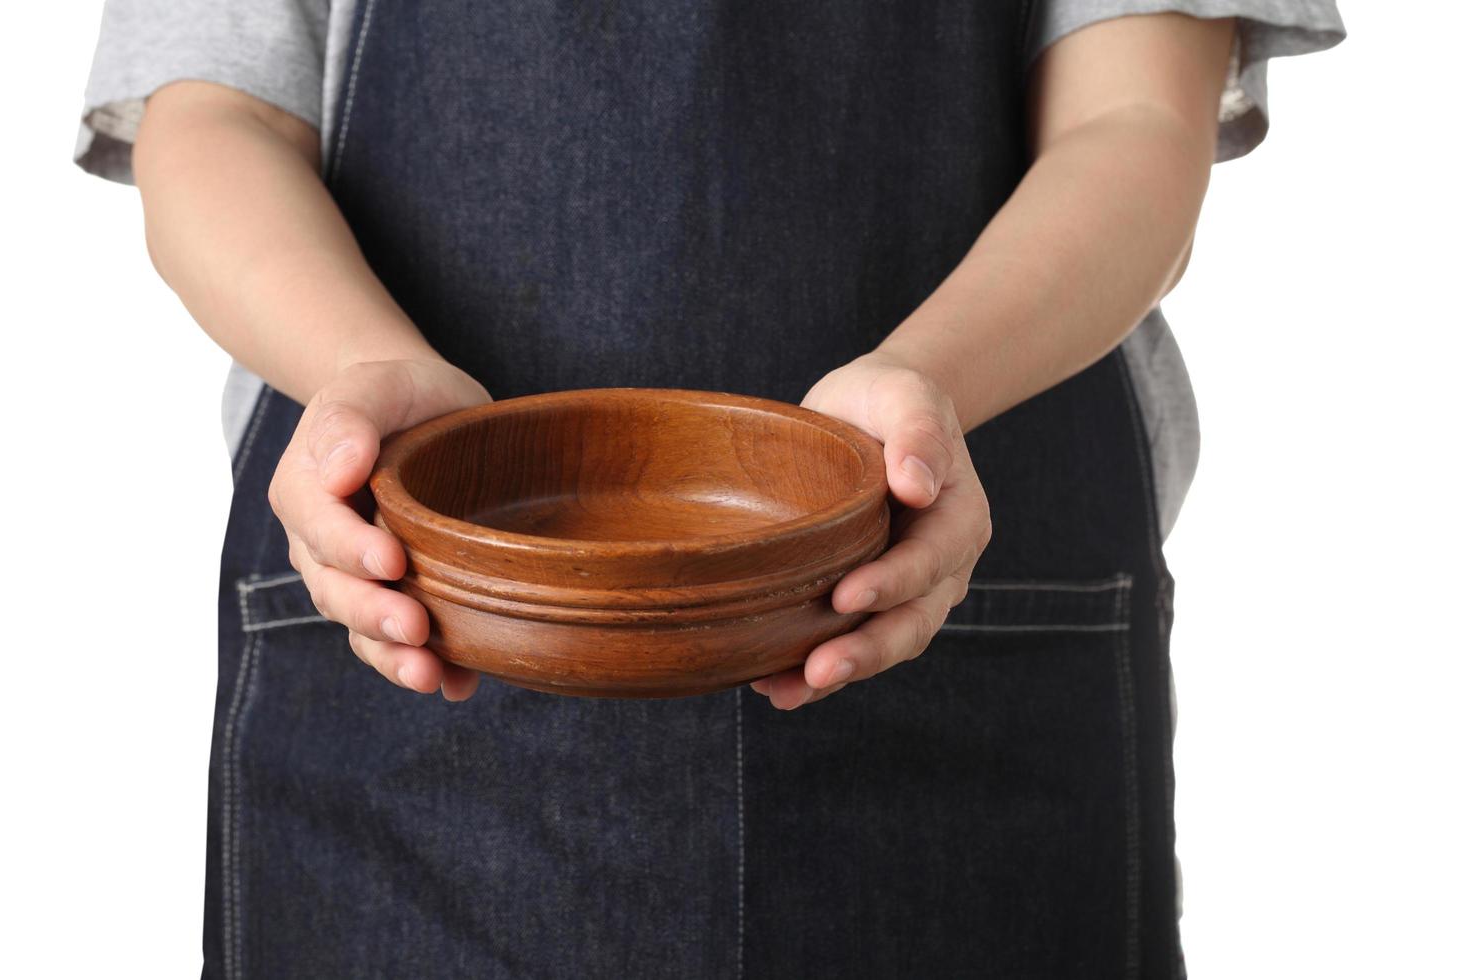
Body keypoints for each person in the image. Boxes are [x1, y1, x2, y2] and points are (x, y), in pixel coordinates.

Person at [76, 0, 1343, 975]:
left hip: (947, 623)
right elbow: (216, 112)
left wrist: (927, 382)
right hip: (410, 655)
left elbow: (1134, 119)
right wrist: (363, 367)